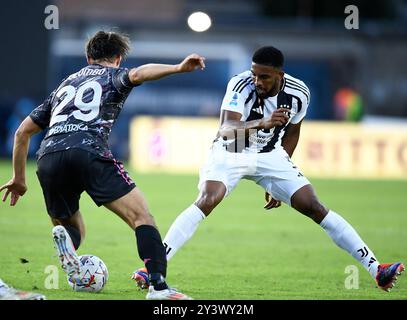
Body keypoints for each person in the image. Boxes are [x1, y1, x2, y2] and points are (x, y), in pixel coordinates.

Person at [133, 46, 404, 293]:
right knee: (208, 198)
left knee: (313, 205)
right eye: (254, 75)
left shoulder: (299, 93)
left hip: (270, 154)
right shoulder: (240, 86)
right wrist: (262, 122)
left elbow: (294, 132)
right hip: (233, 148)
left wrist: (277, 180)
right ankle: (153, 268)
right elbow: (226, 130)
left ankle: (377, 269)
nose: (257, 82)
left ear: (279, 74)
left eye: (264, 77)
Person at [0, 31, 205, 300]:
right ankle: (158, 288)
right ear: (118, 58)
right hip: (89, 151)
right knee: (142, 218)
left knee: (73, 228)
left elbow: (22, 133)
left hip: (49, 156)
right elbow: (140, 73)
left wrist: (19, 178)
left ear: (88, 57)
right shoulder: (114, 75)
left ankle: (69, 247)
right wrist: (178, 68)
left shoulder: (65, 85)